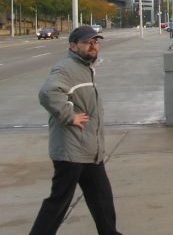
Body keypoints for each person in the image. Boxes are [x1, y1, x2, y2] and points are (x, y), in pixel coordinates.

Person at [29, 25, 123, 235]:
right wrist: (69, 116)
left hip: (88, 150)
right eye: (87, 42)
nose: (93, 46)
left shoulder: (84, 68)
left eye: (95, 42)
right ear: (73, 46)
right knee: (59, 202)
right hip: (71, 151)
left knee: (102, 199)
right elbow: (47, 93)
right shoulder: (67, 69)